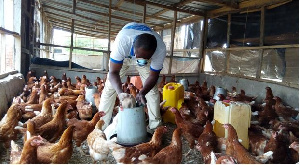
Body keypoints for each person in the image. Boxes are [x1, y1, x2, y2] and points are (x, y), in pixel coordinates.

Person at [98, 22, 166, 132]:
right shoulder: (122, 42)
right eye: (139, 56)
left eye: (147, 57)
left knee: (152, 91)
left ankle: (155, 127)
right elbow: (113, 72)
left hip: (143, 55)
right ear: (134, 47)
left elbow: (154, 76)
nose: (141, 59)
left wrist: (142, 92)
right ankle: (101, 126)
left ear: (153, 53)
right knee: (110, 88)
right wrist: (120, 93)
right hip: (125, 57)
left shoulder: (160, 49)